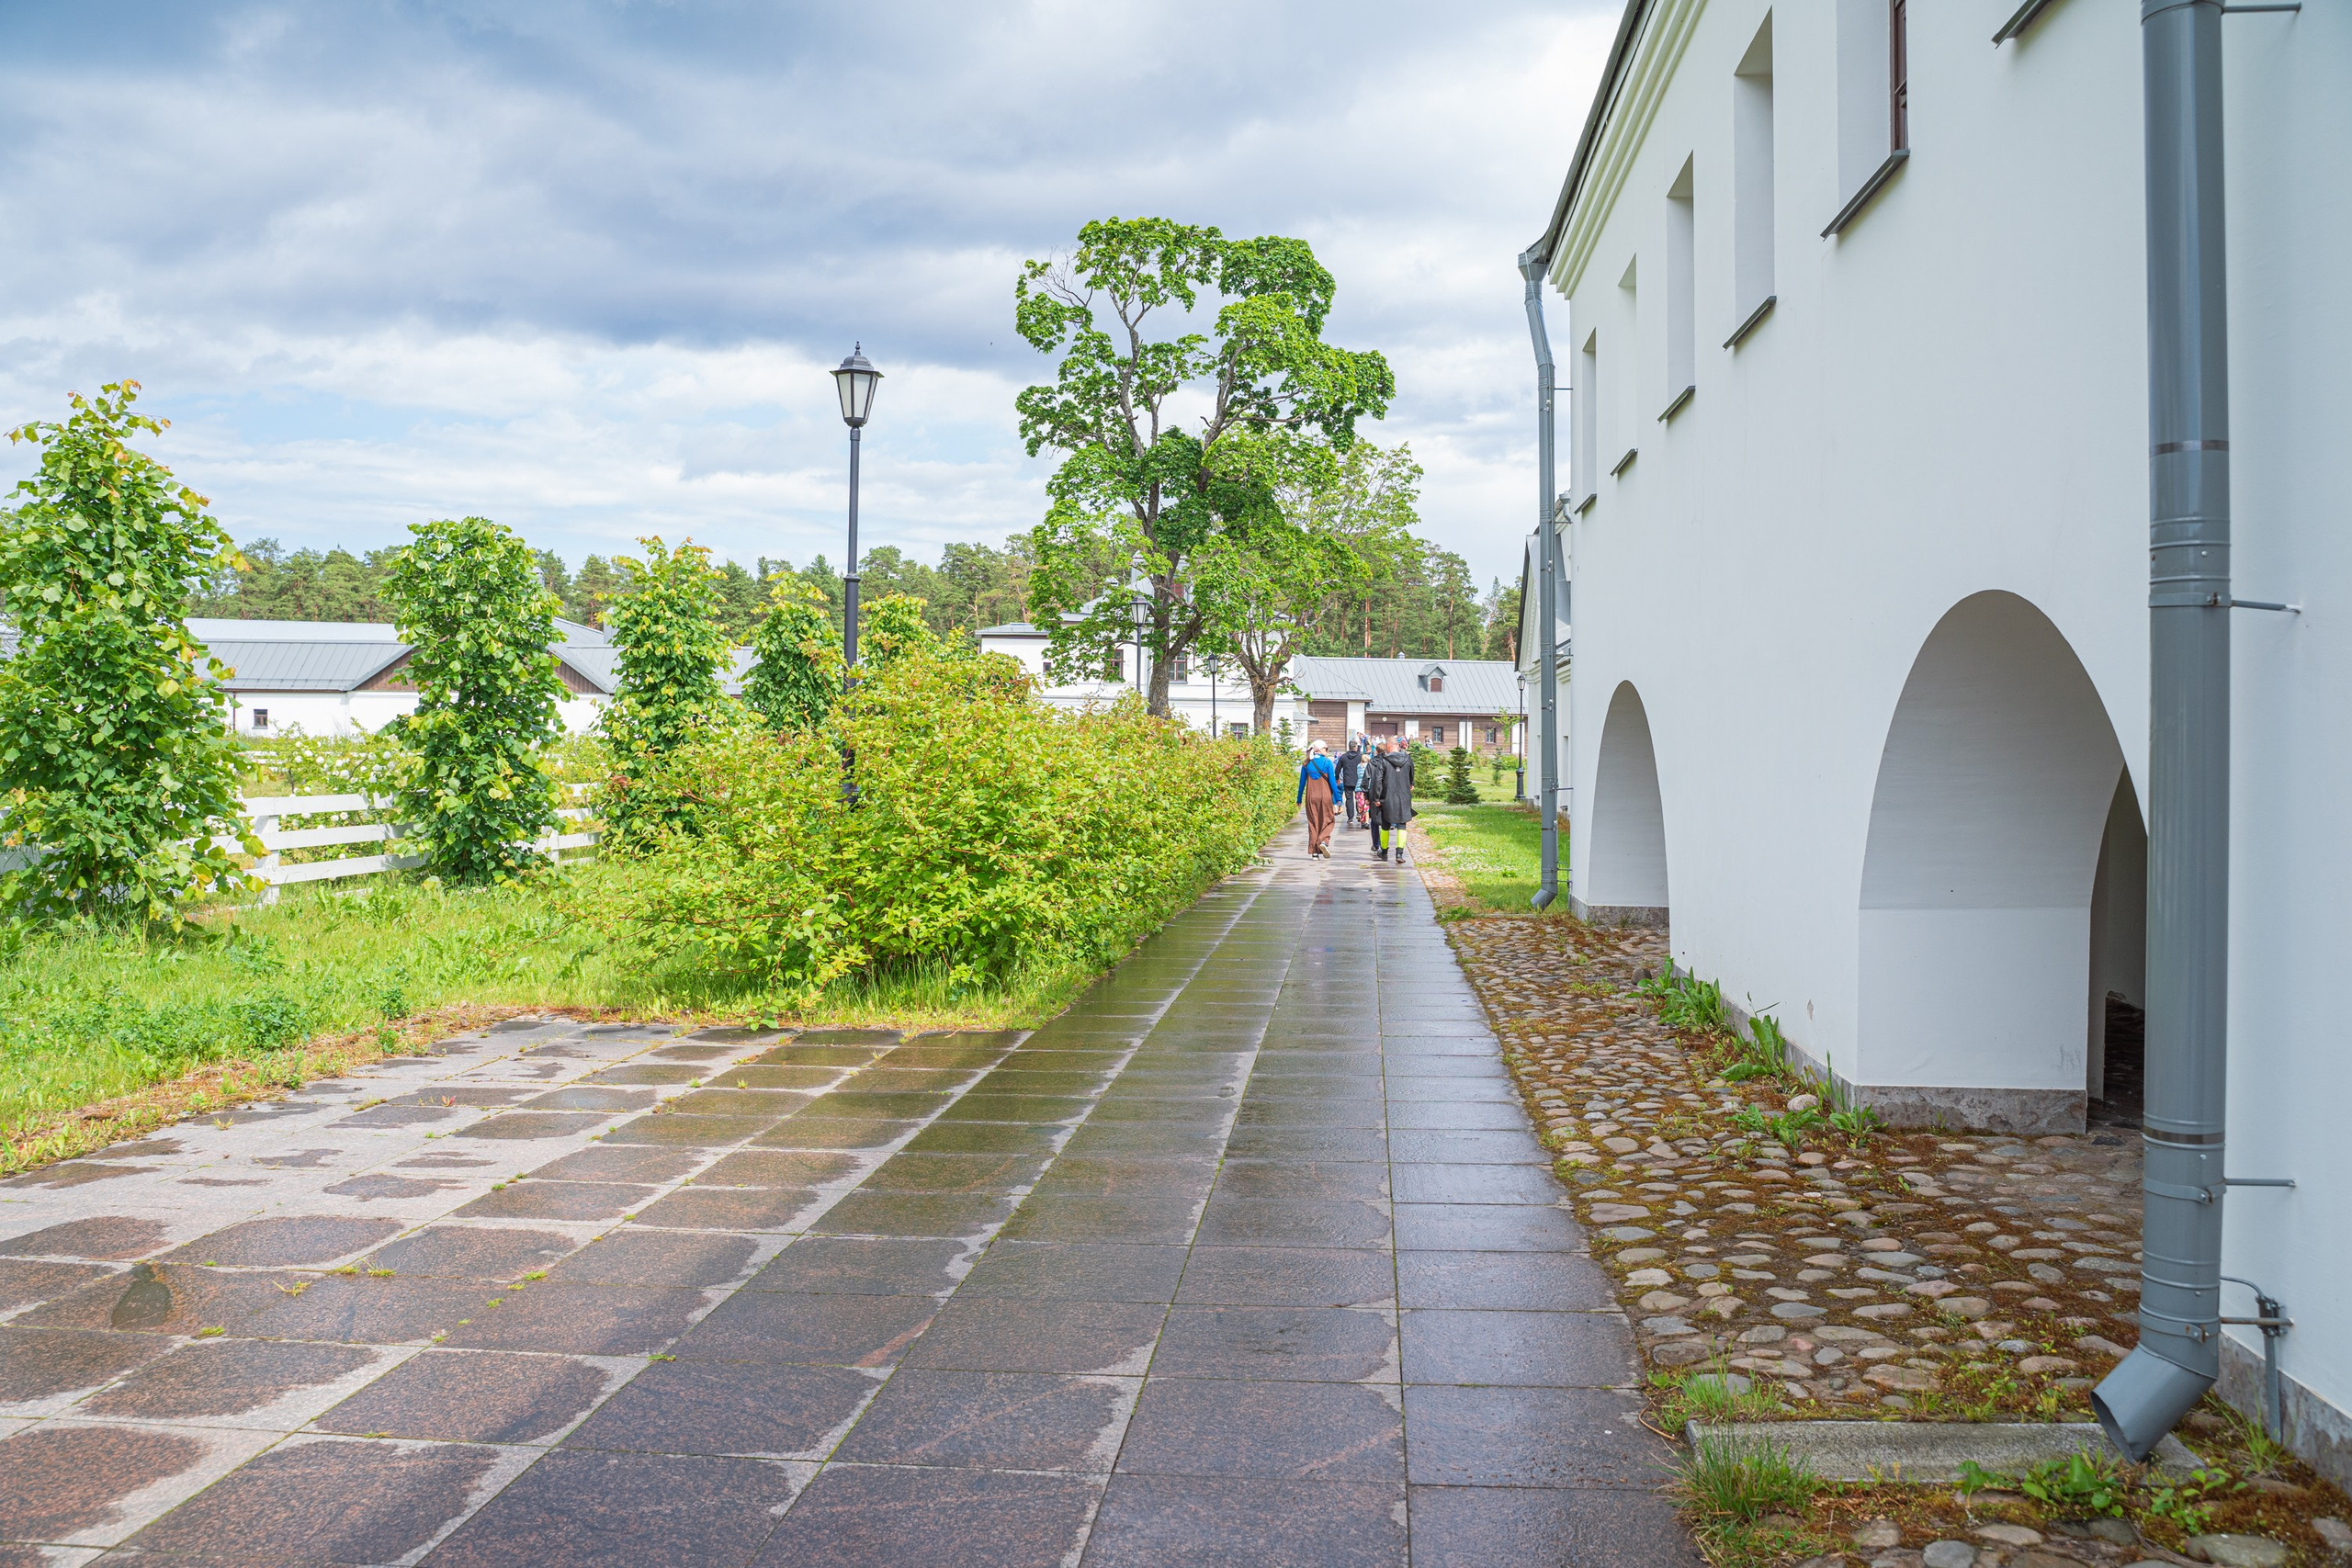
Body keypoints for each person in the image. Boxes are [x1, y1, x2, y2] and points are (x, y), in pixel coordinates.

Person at [1369, 736, 1415, 863]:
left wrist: (1376, 797)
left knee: (1385, 825)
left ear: (1389, 746)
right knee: (1402, 825)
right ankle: (1399, 854)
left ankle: (1384, 852)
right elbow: (1412, 778)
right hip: (1404, 797)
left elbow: (1378, 780)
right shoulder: (1408, 759)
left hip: (1387, 797)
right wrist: (1410, 784)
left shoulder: (1383, 761)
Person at [1296, 739, 1339, 859]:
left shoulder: (1306, 763)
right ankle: (1323, 841)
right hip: (1325, 796)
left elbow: (1301, 784)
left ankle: (1314, 853)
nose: (1327, 750)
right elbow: (1332, 783)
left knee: (1313, 823)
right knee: (1328, 820)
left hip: (1311, 796)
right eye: (1326, 748)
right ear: (1319, 749)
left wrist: (1299, 799)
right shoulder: (1327, 762)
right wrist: (1338, 799)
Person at [1335, 744, 1363, 827]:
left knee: (1349, 799)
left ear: (1349, 747)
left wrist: (1337, 778)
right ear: (1356, 747)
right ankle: (1359, 813)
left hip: (1348, 781)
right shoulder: (1360, 756)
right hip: (1358, 780)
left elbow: (1338, 769)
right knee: (1359, 798)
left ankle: (1350, 818)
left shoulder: (1343, 757)